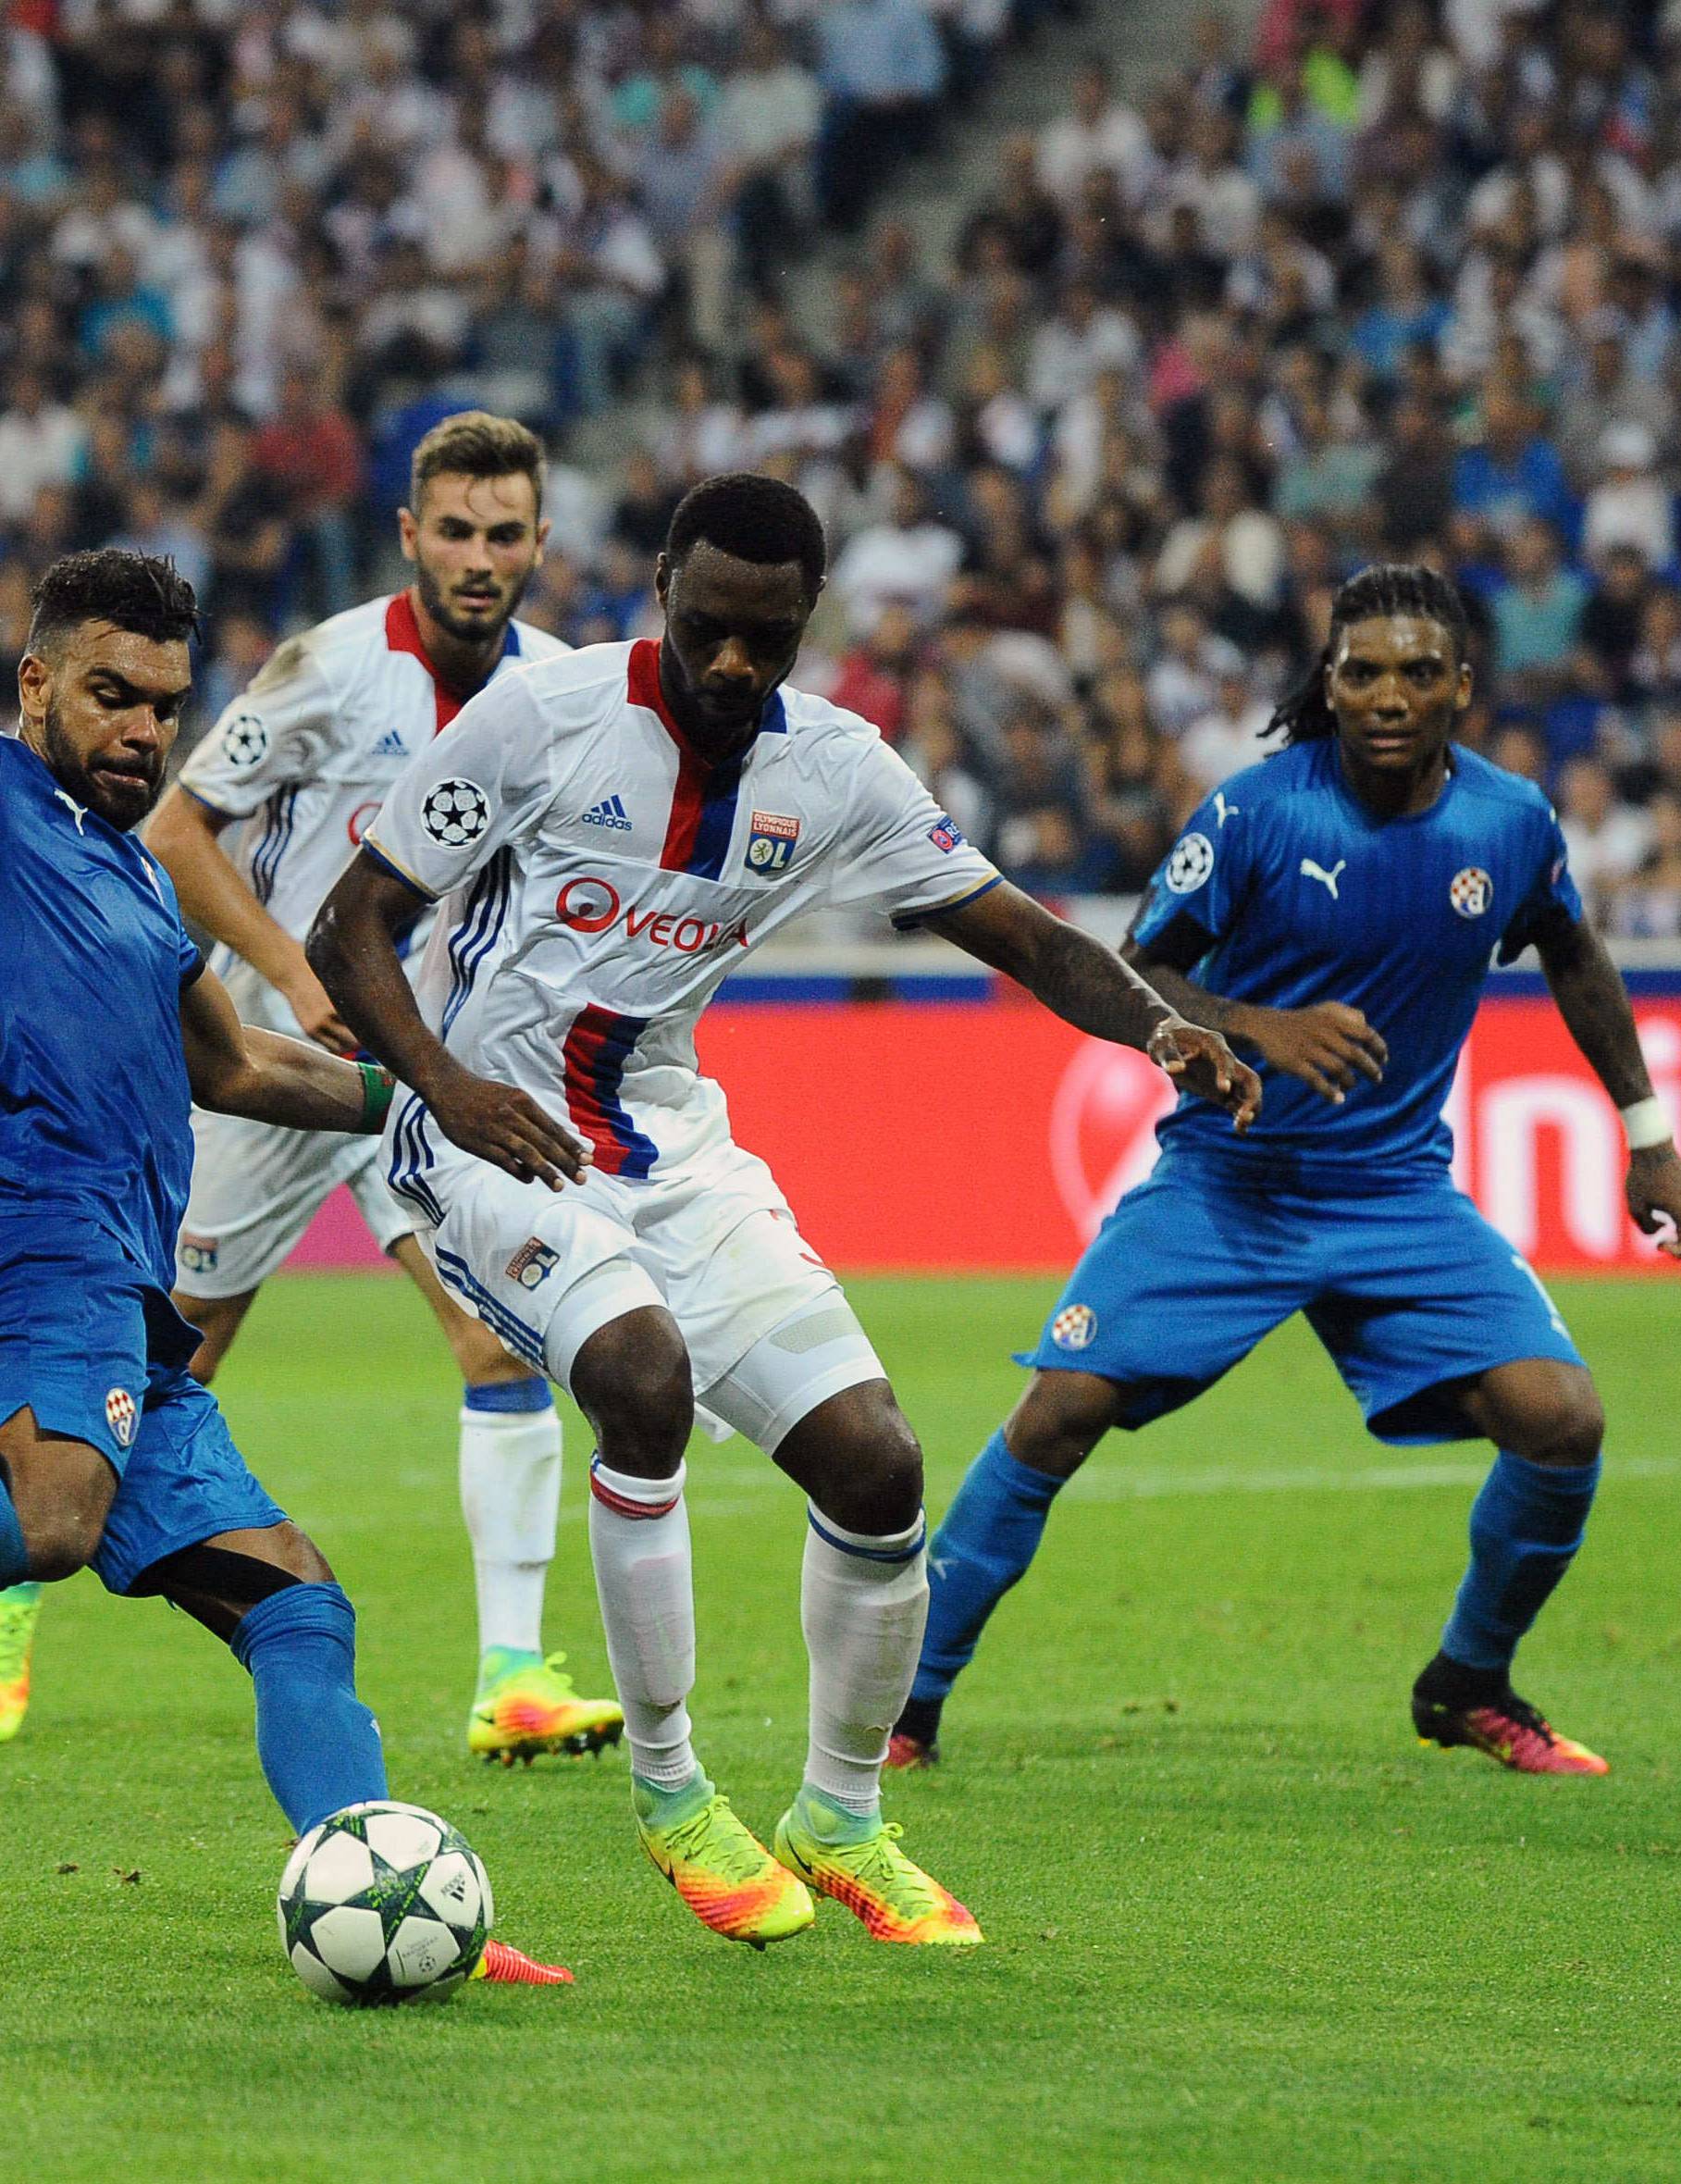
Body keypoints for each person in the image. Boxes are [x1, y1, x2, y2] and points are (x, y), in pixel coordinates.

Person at [306, 472, 1259, 1952]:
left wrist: (1157, 1028)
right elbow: (351, 921)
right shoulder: (538, 720)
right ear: (665, 588)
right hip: (488, 1140)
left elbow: (1014, 929)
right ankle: (674, 1792)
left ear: (806, 618)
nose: (733, 665)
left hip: (670, 1143)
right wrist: (436, 1084)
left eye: (765, 637)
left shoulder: (842, 769)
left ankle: (843, 1817)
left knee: (878, 1468)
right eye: (706, 629)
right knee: (643, 1381)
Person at [892, 564, 1681, 1779]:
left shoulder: (1511, 822)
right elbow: (1137, 969)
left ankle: (1467, 1682)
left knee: (1562, 1420)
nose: (1389, 694)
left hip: (1394, 1194)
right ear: (1328, 681)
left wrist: (1650, 1136)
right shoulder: (1259, 812)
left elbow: (1575, 954)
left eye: (1418, 673)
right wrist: (1259, 1030)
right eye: (1364, 669)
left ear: (1462, 688)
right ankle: (906, 1706)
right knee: (1061, 1408)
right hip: (1232, 1181)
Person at [0, 549, 562, 1985]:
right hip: (30, 1250)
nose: (143, 732)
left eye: (164, 709)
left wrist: (439, 1095)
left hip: (125, 1302)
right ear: (36, 684)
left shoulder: (133, 880)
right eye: (110, 696)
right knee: (56, 1519)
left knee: (297, 1603)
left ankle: (389, 1885)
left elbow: (243, 1065)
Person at [127, 413, 620, 1768]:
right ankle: (11, 1619)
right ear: (409, 535)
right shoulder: (330, 669)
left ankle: (515, 1674)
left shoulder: (568, 693)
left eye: (503, 534)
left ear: (537, 545)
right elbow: (175, 829)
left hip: (433, 1074)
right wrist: (289, 971)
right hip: (276, 1069)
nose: (477, 557)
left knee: (499, 1333)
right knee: (162, 1361)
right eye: (453, 531)